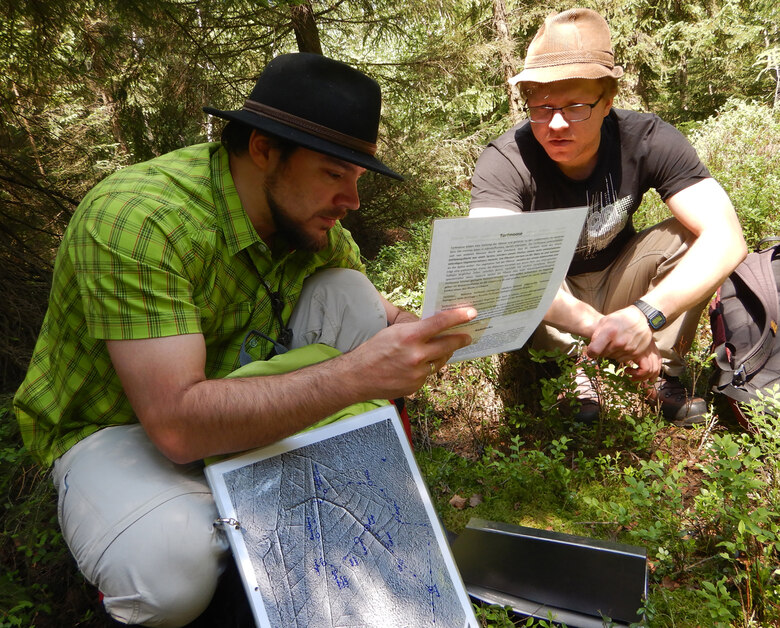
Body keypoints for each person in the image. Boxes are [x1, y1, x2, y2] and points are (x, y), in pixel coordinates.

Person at [13, 52, 475, 627]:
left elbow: (373, 310)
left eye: (356, 179)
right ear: (263, 149)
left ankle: (300, 518)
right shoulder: (142, 219)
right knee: (167, 576)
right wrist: (357, 375)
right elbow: (177, 427)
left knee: (352, 294)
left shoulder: (302, 219)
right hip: (120, 426)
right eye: (334, 174)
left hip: (234, 399)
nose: (352, 201)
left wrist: (413, 327)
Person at [469, 8, 747, 426]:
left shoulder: (647, 139)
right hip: (552, 297)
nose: (555, 124)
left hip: (620, 278)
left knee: (691, 238)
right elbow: (491, 264)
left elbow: (728, 238)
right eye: (540, 107)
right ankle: (575, 372)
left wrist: (642, 316)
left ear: (608, 101)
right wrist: (611, 330)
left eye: (575, 106)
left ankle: (663, 371)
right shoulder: (506, 159)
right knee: (517, 256)